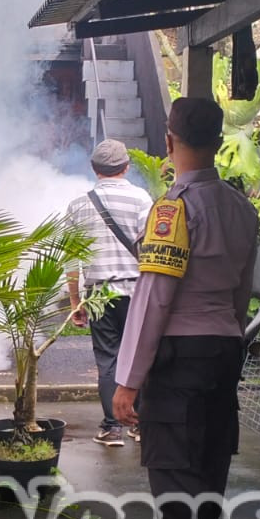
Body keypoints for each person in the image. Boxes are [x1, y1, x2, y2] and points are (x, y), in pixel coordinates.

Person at [112, 97, 259, 519]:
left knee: (174, 480)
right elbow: (243, 291)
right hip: (223, 349)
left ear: (170, 142)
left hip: (181, 358)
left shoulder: (172, 209)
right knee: (207, 475)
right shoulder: (240, 208)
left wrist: (128, 379)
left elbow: (154, 296)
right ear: (218, 142)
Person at [64, 139, 153, 447]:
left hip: (99, 293)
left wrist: (76, 301)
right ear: (126, 167)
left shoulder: (78, 204)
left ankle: (112, 427)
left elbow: (71, 258)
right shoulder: (142, 199)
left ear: (94, 169)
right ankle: (139, 425)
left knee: (108, 360)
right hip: (137, 292)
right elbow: (150, 248)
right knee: (139, 356)